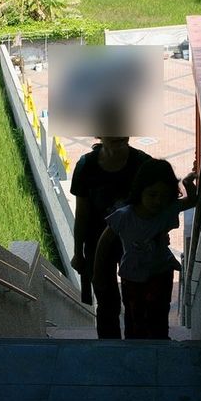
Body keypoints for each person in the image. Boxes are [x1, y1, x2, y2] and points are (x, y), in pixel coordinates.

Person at [95, 159, 197, 340]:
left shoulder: (167, 209)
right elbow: (104, 243)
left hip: (161, 274)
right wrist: (98, 274)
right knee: (135, 318)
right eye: (152, 194)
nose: (158, 201)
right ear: (140, 190)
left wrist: (188, 183)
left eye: (164, 196)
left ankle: (158, 345)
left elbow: (193, 201)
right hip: (132, 278)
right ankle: (137, 348)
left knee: (159, 314)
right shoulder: (124, 216)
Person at [69, 137, 151, 339]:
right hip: (97, 248)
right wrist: (78, 253)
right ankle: (110, 349)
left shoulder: (144, 165)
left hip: (134, 246)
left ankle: (136, 348)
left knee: (135, 301)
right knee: (106, 303)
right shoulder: (86, 166)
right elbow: (82, 216)